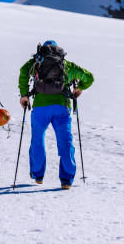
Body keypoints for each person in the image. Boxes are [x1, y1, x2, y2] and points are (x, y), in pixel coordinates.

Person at [18, 40, 94, 190]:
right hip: (61, 107)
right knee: (65, 141)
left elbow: (23, 72)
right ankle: (66, 179)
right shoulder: (66, 65)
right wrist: (79, 88)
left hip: (40, 107)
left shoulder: (36, 63)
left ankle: (38, 175)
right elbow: (89, 77)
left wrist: (24, 95)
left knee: (38, 139)